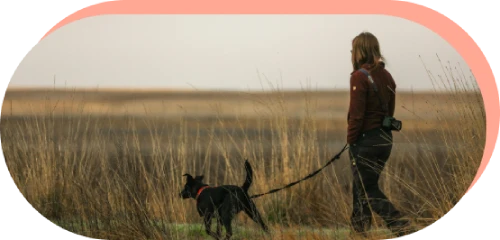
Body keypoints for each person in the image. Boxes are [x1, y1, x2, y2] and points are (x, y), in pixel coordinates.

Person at [346, 32, 416, 238]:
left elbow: (356, 116)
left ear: (360, 51)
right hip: (384, 140)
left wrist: (351, 141)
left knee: (367, 190)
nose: (351, 54)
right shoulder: (387, 76)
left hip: (365, 142)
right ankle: (358, 232)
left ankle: (402, 228)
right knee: (362, 186)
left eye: (353, 50)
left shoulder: (359, 76)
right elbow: (390, 112)